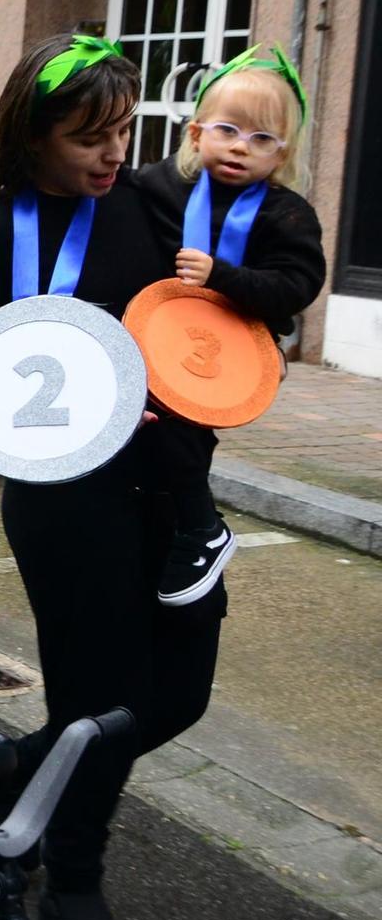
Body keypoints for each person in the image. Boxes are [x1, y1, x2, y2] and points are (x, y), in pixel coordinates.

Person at [0, 34, 222, 920]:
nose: (112, 152)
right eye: (90, 134)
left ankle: (11, 771)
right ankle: (70, 883)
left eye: (125, 130)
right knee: (100, 701)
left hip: (175, 497)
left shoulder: (148, 209)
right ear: (33, 134)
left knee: (179, 694)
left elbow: (216, 307)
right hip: (63, 505)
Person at [132, 44, 325, 606]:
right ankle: (184, 524)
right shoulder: (161, 187)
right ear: (195, 134)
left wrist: (224, 276)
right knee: (161, 428)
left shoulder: (286, 213)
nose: (242, 147)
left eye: (262, 139)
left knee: (182, 429)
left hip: (235, 352)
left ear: (282, 153)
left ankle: (200, 528)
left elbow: (298, 285)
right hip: (164, 338)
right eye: (229, 130)